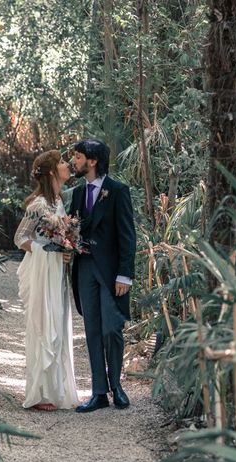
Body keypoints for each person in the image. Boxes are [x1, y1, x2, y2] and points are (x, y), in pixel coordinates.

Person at [69, 139, 136, 412]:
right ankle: (98, 393)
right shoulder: (76, 193)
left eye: (78, 156)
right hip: (84, 269)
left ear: (92, 161)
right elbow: (73, 230)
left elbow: (127, 236)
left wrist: (125, 275)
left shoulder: (117, 191)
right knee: (92, 331)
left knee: (112, 328)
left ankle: (116, 386)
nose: (74, 161)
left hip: (110, 273)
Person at [14, 150, 79, 411]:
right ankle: (39, 394)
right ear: (52, 171)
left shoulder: (59, 203)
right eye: (63, 162)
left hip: (56, 274)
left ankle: (55, 390)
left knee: (58, 323)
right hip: (41, 273)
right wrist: (47, 253)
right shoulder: (38, 204)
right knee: (43, 325)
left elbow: (58, 238)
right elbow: (20, 238)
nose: (67, 165)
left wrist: (64, 251)